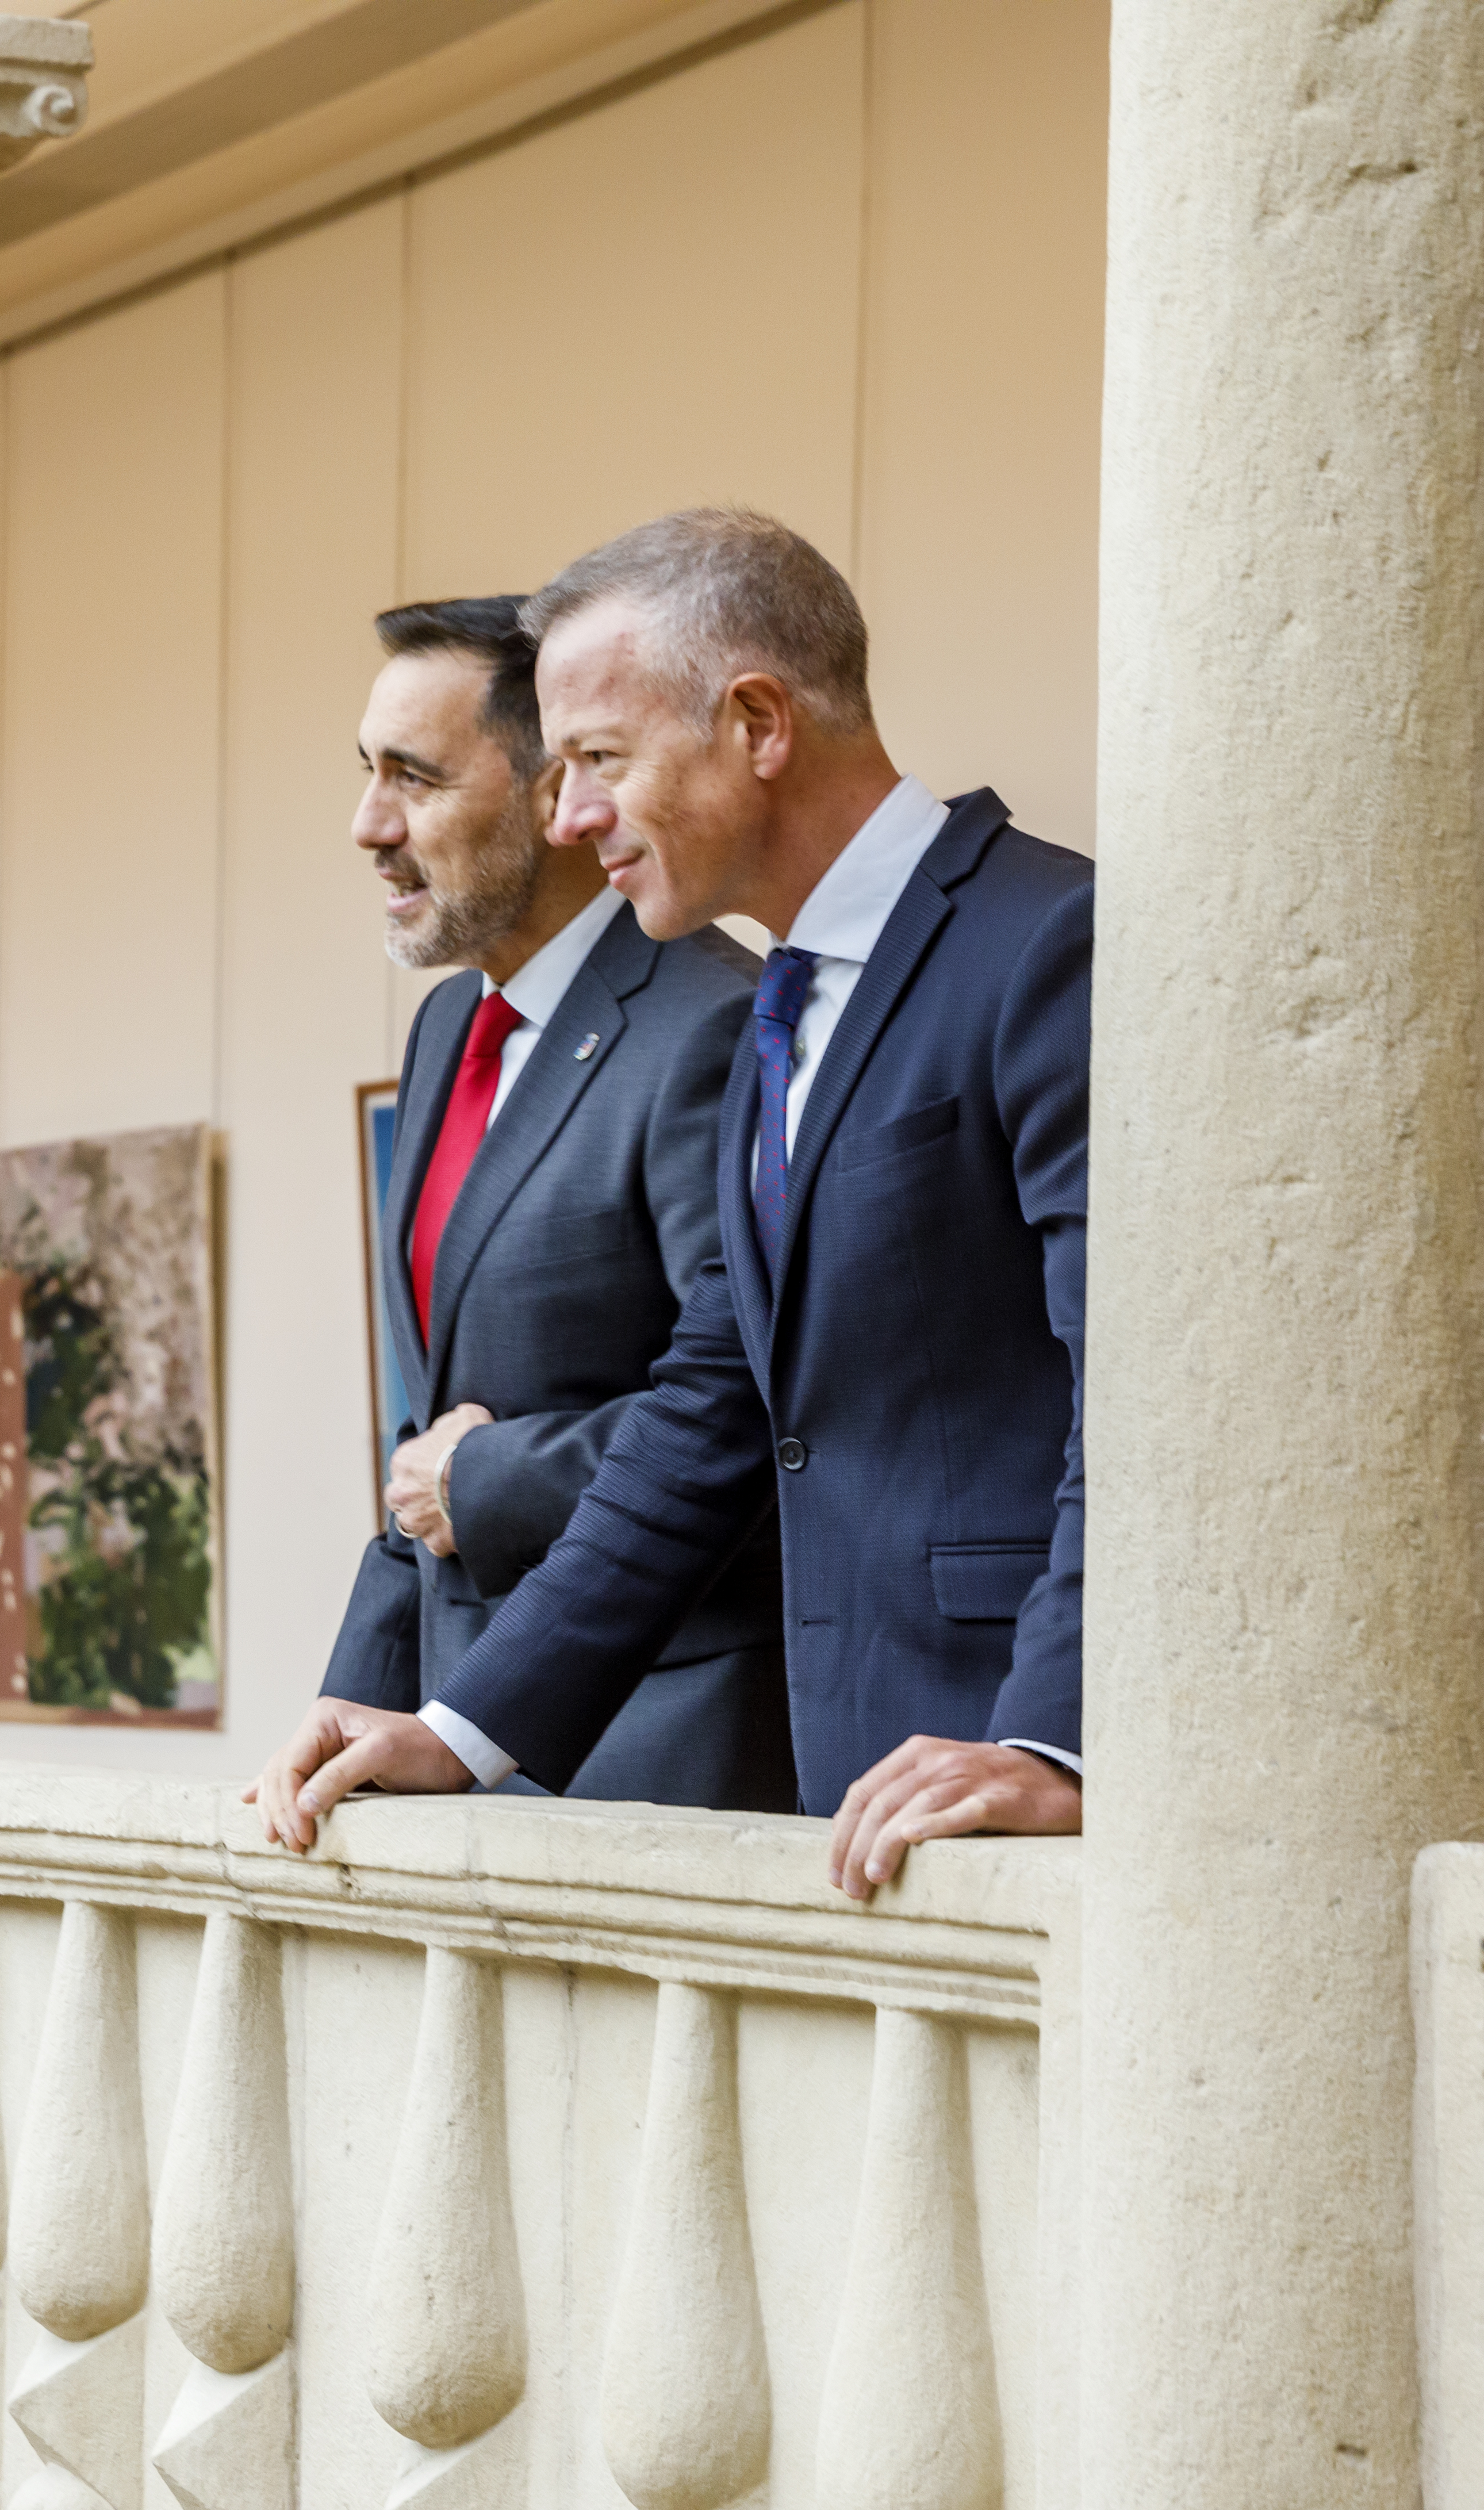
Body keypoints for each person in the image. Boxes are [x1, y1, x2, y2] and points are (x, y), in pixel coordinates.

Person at [251, 509, 1091, 1898]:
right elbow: (713, 1412)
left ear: (757, 723)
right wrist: (462, 1730)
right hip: (846, 1820)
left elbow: (1146, 1397)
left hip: (1014, 1802)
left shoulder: (1050, 943)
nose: (573, 814)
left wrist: (1057, 1737)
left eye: (599, 759)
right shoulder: (779, 1012)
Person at [323, 596, 794, 1810]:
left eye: (414, 778)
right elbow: (423, 1434)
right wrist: (348, 1709)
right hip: (446, 1748)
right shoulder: (447, 1031)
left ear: (555, 793)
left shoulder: (718, 1023)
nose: (370, 824)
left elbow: (750, 1409)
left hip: (660, 1754)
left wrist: (485, 1480)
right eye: (368, 773)